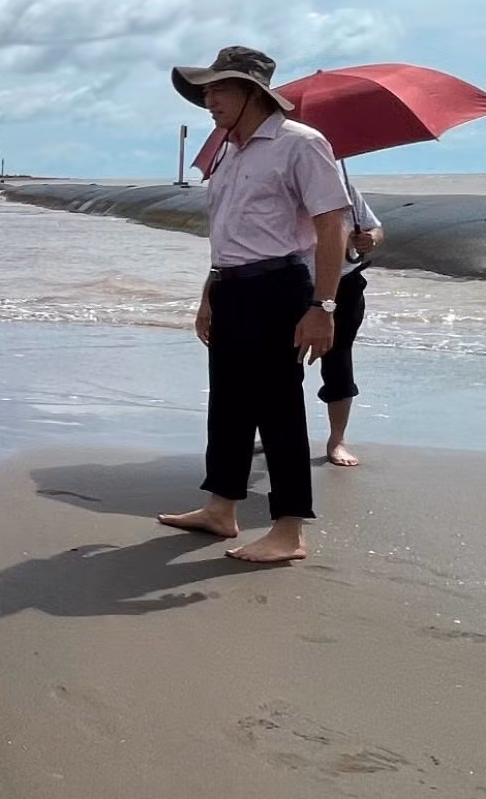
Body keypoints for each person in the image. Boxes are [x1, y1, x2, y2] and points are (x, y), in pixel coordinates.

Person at [161, 46, 350, 563]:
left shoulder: (301, 144)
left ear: (252, 92)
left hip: (278, 288)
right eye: (206, 89)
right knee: (227, 403)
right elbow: (227, 234)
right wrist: (209, 294)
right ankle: (221, 508)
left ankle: (289, 530)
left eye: (219, 88)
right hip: (231, 287)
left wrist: (323, 307)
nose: (208, 98)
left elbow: (332, 225)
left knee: (279, 407)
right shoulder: (228, 150)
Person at [320, 170, 383, 467]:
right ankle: (273, 434)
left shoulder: (341, 185)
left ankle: (337, 439)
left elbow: (375, 229)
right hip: (292, 282)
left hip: (344, 284)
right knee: (279, 363)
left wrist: (369, 238)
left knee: (338, 361)